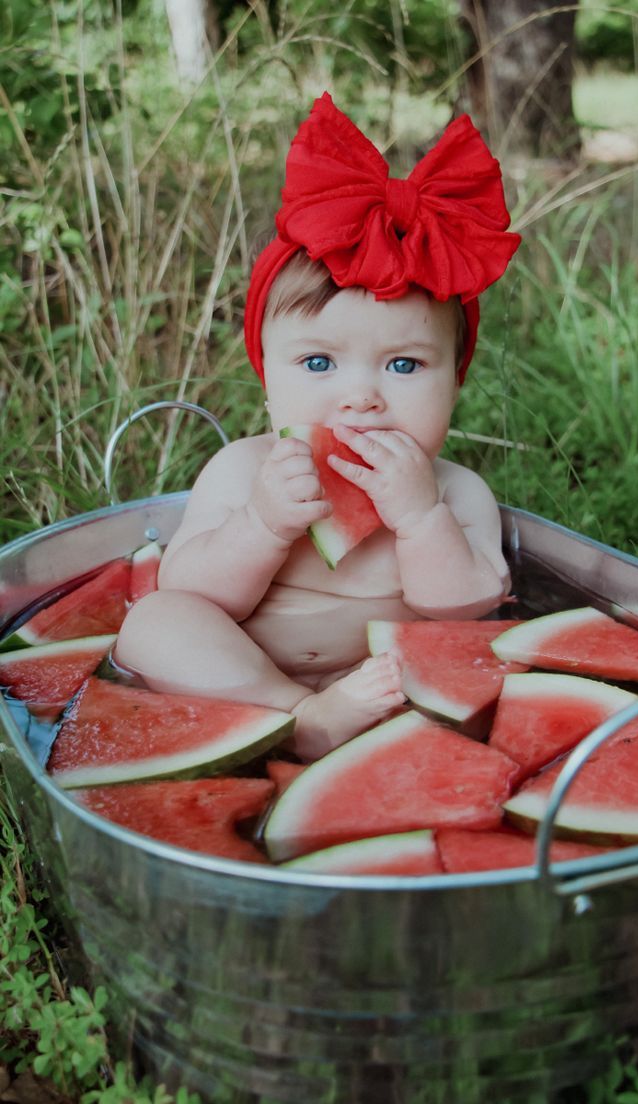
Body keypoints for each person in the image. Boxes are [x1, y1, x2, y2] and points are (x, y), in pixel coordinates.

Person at [115, 92, 521, 761]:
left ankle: (365, 744)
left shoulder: (456, 491)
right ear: (267, 376)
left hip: (398, 689)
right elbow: (193, 589)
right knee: (158, 623)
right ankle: (298, 716)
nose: (360, 398)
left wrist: (422, 521)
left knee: (486, 665)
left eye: (403, 364)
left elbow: (470, 607)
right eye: (318, 362)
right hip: (243, 682)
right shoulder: (242, 471)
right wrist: (264, 523)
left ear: (456, 380)